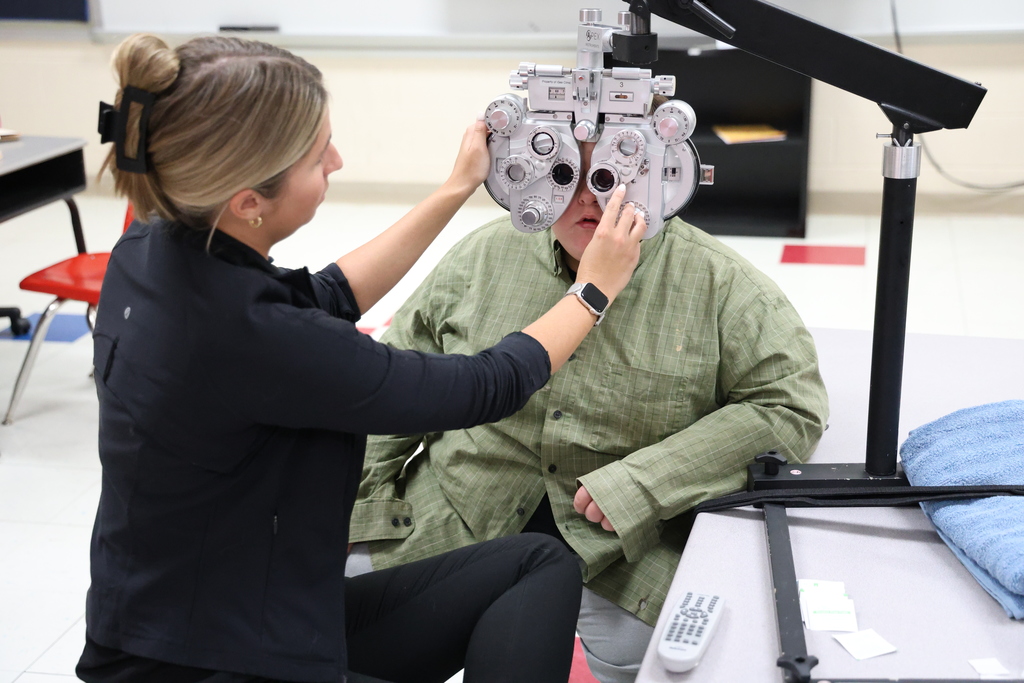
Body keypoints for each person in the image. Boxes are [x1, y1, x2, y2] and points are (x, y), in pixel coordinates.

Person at [77, 34, 648, 683]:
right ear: (248, 201)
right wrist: (593, 290)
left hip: (221, 612)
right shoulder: (260, 340)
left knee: (538, 563)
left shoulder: (150, 252)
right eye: (320, 157)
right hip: (212, 663)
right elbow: (486, 384)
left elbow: (325, 295)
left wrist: (455, 189)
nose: (339, 161)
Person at [349, 141, 830, 682]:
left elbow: (789, 405)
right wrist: (357, 504)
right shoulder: (480, 257)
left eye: (613, 175)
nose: (588, 197)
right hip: (453, 512)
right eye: (563, 173)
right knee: (323, 632)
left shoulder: (722, 284)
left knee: (685, 665)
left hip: (625, 550)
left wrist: (644, 483)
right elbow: (390, 384)